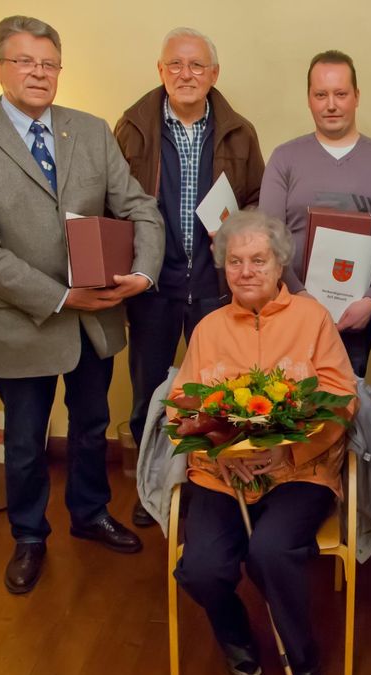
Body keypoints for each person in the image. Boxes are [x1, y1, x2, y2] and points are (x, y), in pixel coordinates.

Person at [0, 15, 164, 594]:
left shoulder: (88, 130)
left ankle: (89, 515)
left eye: (48, 63)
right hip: (23, 320)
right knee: (27, 441)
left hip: (97, 320)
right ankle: (29, 537)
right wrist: (62, 296)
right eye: (24, 62)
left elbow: (139, 207)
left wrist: (141, 272)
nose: (39, 73)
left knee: (91, 429)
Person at [170, 210, 356, 675]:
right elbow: (181, 404)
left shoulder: (311, 318)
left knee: (270, 550)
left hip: (299, 470)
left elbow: (341, 399)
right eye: (235, 261)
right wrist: (219, 454)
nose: (246, 270)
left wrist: (285, 453)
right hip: (222, 474)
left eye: (258, 260)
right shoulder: (208, 327)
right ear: (223, 268)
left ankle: (304, 665)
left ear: (280, 265)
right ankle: (233, 632)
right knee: (203, 567)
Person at [115, 27, 265, 527]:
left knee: (220, 388)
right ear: (160, 71)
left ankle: (214, 481)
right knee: (148, 393)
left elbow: (257, 203)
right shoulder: (132, 128)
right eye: (175, 65)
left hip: (213, 284)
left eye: (197, 66)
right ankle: (150, 480)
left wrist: (236, 231)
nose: (186, 74)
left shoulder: (239, 132)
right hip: (152, 285)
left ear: (214, 74)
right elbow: (114, 203)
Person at [259, 50, 371, 376]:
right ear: (309, 99)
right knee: (283, 405)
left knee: (345, 409)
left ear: (356, 97)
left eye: (340, 94)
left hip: (355, 319)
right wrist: (300, 297)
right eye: (321, 95)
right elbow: (268, 236)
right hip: (289, 310)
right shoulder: (285, 158)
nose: (331, 104)